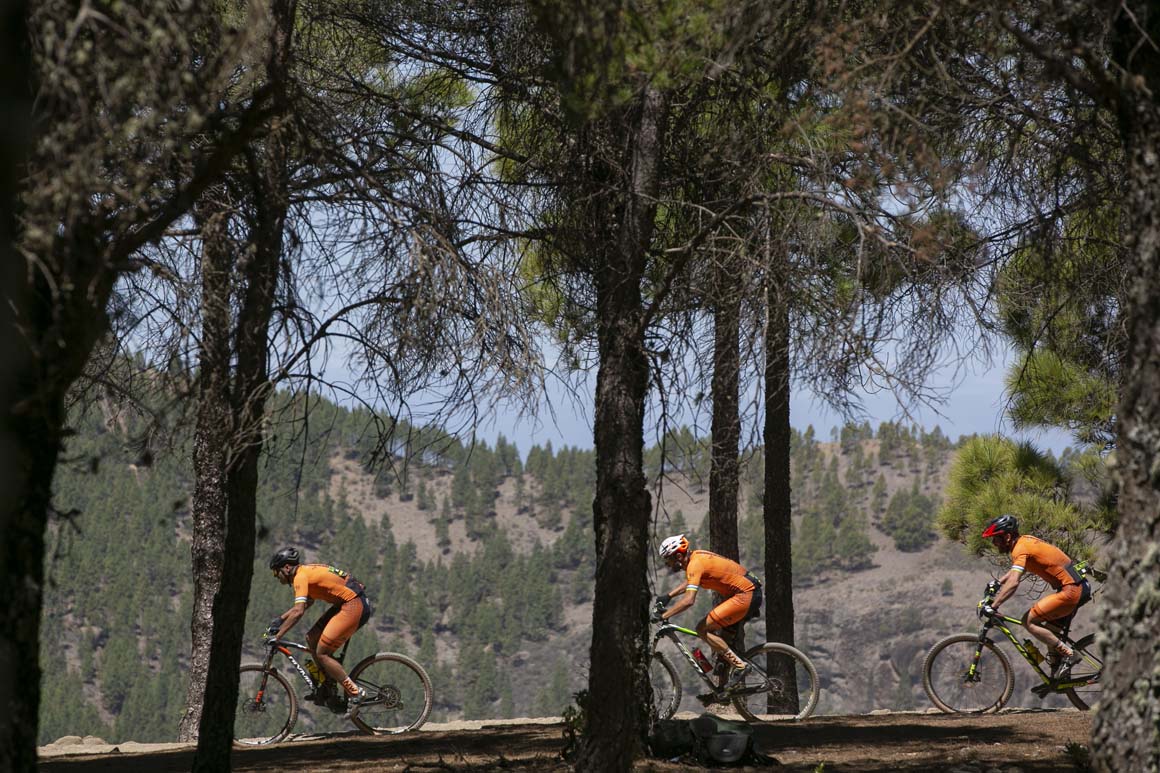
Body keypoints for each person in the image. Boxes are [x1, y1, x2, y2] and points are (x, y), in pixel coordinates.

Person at [268, 547, 374, 712]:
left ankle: (355, 692)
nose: (277, 577)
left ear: (287, 568)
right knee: (311, 638)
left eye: (276, 573)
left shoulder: (300, 577)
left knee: (322, 653)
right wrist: (280, 619)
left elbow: (298, 611)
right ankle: (328, 685)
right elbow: (308, 602)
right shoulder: (305, 572)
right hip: (348, 603)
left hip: (353, 605)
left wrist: (279, 635)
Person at [980, 515, 1089, 673]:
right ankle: (1056, 676)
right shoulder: (1025, 541)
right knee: (1050, 633)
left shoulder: (1020, 550)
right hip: (1079, 585)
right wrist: (998, 582)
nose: (994, 544)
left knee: (1028, 621)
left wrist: (995, 605)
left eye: (996, 539)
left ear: (1007, 536)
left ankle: (1070, 655)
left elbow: (1014, 582)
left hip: (1071, 589)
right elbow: (1015, 571)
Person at [655, 534, 763, 691]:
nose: (668, 564)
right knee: (722, 655)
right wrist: (668, 596)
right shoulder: (695, 558)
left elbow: (689, 601)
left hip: (746, 594)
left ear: (678, 555)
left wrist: (664, 615)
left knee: (701, 629)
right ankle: (723, 692)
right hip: (748, 592)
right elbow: (692, 580)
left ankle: (741, 667)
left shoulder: (695, 564)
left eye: (668, 560)